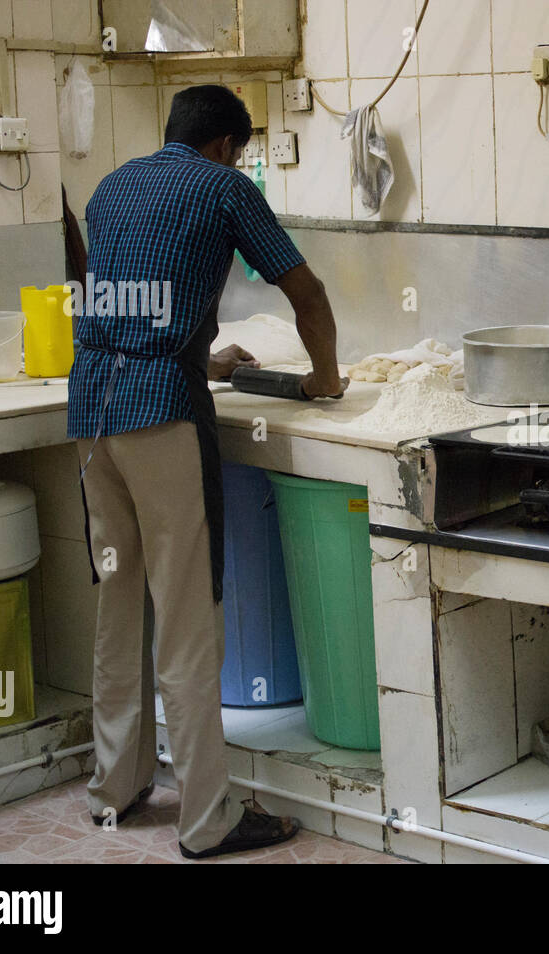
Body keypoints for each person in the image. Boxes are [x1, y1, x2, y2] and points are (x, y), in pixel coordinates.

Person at [67, 85, 342, 859]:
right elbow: (306, 291)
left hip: (91, 409)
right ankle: (206, 820)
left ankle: (113, 792)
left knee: (117, 601)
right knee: (187, 613)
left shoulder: (112, 186)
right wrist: (324, 374)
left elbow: (125, 299)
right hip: (159, 412)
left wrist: (204, 351)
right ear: (226, 145)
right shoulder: (226, 187)